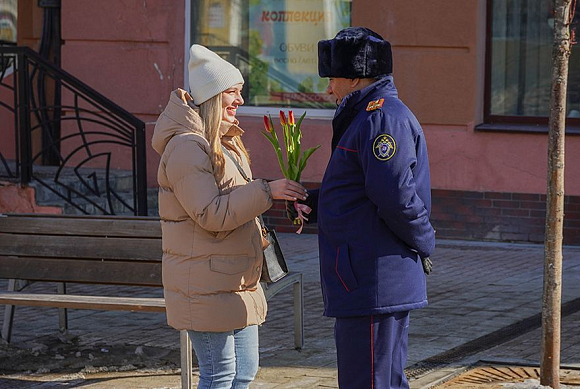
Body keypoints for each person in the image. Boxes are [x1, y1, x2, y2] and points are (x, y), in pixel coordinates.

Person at [152, 44, 307, 389]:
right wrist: (266, 190)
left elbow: (237, 201)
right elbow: (210, 213)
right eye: (232, 94)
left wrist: (276, 198)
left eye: (240, 93)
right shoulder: (186, 147)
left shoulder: (225, 141)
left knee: (244, 373)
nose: (239, 101)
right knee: (219, 376)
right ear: (211, 98)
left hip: (237, 279)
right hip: (206, 284)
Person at [289, 27, 436, 388]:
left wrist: (425, 241)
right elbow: (360, 186)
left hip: (374, 278)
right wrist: (314, 202)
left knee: (369, 382)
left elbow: (395, 196)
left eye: (333, 79)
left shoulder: (379, 119)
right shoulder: (366, 116)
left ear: (356, 77)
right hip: (366, 275)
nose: (328, 89)